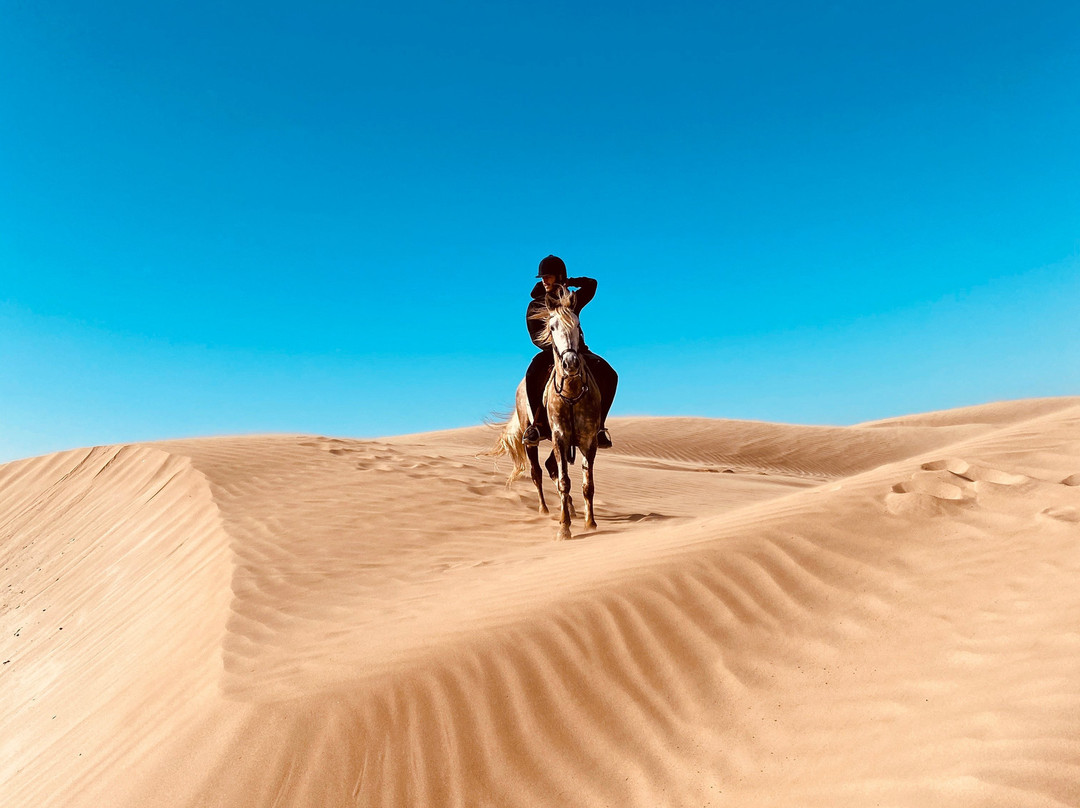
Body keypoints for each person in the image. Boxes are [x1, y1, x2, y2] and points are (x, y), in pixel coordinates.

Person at [521, 255, 618, 448]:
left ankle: (599, 427)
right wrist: (558, 350)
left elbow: (592, 285)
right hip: (551, 353)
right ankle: (537, 425)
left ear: (559, 276)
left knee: (610, 375)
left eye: (548, 276)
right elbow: (534, 335)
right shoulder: (535, 305)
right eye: (542, 277)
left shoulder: (571, 299)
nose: (544, 280)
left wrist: (571, 282)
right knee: (532, 373)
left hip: (578, 351)